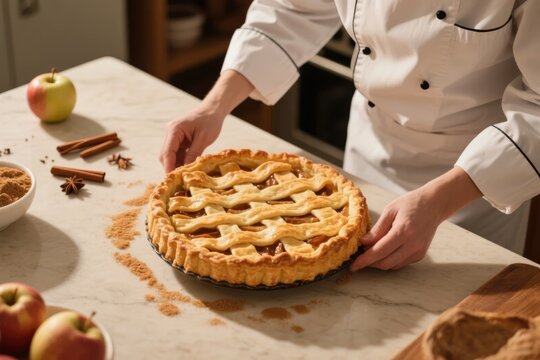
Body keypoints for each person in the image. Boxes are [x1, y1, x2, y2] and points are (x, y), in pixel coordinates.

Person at [159, 0, 540, 271]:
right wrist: (213, 106)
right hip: (367, 151)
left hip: (474, 180)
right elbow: (291, 9)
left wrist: (439, 203)